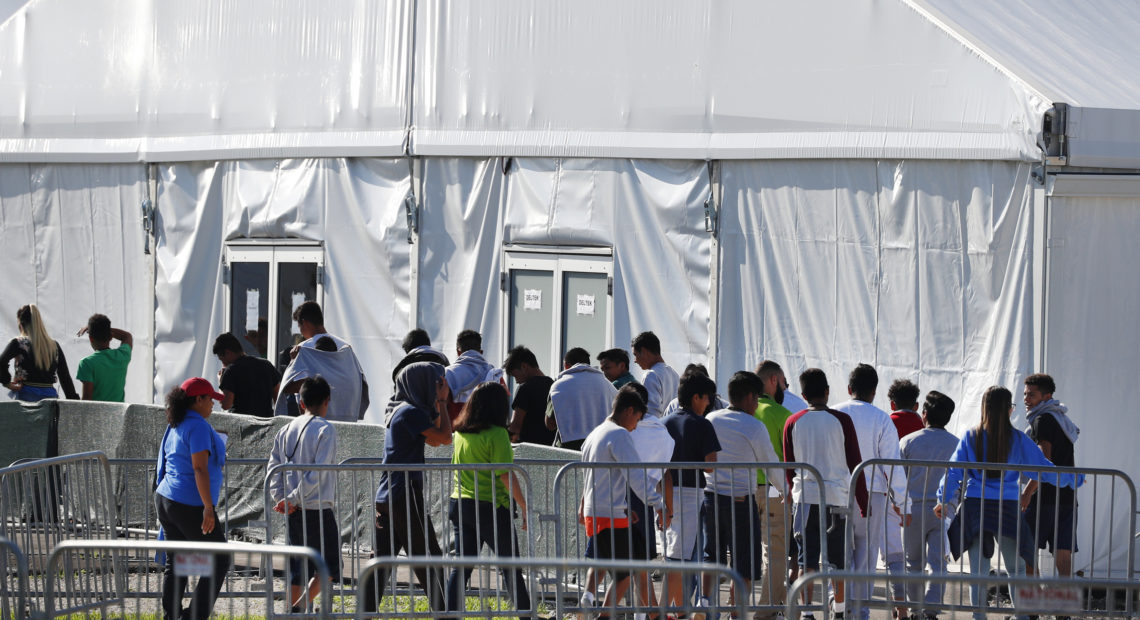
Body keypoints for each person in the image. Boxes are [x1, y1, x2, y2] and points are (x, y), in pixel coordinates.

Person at [936, 386, 1080, 620]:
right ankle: (1022, 616)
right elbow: (1042, 467)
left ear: (984, 407)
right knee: (1017, 569)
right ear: (1008, 409)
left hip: (976, 507)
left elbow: (954, 471)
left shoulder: (970, 436)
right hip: (1008, 507)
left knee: (978, 572)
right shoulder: (1018, 438)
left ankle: (979, 617)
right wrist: (1074, 478)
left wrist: (942, 499)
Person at [362, 362, 451, 613]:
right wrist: (443, 403)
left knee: (380, 564)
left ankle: (363, 613)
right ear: (422, 383)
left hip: (389, 493)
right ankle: (446, 615)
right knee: (429, 559)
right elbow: (444, 438)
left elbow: (434, 440)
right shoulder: (410, 412)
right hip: (404, 493)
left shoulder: (401, 410)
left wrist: (436, 404)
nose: (440, 387)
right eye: (436, 382)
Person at [783, 368, 868, 620]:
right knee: (837, 563)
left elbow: (790, 468)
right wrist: (863, 503)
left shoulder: (793, 421)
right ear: (827, 391)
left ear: (803, 393)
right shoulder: (842, 421)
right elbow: (856, 464)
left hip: (805, 499)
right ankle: (839, 611)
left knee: (806, 561)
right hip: (837, 500)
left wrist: (794, 493)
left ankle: (808, 612)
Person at [578, 384, 668, 616]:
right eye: (637, 418)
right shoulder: (618, 435)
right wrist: (658, 503)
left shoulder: (595, 433)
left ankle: (594, 601)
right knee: (627, 572)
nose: (636, 425)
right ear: (629, 411)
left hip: (599, 510)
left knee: (620, 564)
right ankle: (606, 614)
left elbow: (596, 477)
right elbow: (636, 475)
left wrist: (626, 507)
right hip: (610, 514)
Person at [445, 382, 531, 617]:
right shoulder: (497, 434)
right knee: (510, 566)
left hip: (460, 502)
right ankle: (525, 614)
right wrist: (524, 505)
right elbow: (505, 473)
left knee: (461, 566)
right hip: (491, 506)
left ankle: (449, 613)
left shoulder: (461, 432)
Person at [702, 371, 784, 613]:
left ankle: (705, 603)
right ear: (749, 396)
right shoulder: (754, 426)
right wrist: (785, 491)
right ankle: (737, 611)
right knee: (744, 562)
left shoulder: (712, 418)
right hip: (740, 500)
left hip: (711, 497)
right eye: (757, 398)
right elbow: (770, 465)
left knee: (711, 556)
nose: (757, 403)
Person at [833, 364, 909, 620]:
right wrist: (902, 502)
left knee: (839, 554)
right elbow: (892, 465)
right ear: (874, 391)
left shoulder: (834, 413)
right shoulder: (881, 418)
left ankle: (839, 606)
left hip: (837, 492)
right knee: (866, 554)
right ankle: (861, 612)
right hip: (873, 493)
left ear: (849, 388)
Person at [154, 378, 230, 620]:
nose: (213, 405)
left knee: (177, 561)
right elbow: (199, 469)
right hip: (189, 502)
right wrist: (209, 507)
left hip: (167, 497)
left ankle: (171, 615)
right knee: (219, 558)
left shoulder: (176, 422)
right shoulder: (197, 426)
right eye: (209, 399)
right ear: (198, 400)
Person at [267, 375, 340, 613]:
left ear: (301, 402)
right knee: (329, 566)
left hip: (294, 509)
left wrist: (281, 497)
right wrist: (292, 498)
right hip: (316, 507)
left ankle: (294, 610)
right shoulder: (325, 429)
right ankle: (297, 609)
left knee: (298, 568)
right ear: (327, 401)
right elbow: (318, 472)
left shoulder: (286, 428)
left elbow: (273, 467)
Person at [662, 372, 721, 615]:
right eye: (706, 398)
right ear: (697, 397)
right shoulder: (702, 424)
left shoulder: (664, 422)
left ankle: (680, 610)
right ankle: (663, 611)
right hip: (689, 493)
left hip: (664, 492)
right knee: (680, 560)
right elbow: (710, 464)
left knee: (674, 556)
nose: (708, 403)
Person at [899, 390, 958, 620]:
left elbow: (898, 478)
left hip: (913, 508)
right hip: (942, 509)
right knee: (938, 562)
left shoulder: (908, 441)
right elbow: (961, 479)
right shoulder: (956, 444)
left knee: (913, 562)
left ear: (924, 414)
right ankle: (932, 609)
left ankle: (915, 610)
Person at [1020, 373, 1079, 582]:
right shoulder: (1062, 420)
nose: (1026, 399)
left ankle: (1032, 608)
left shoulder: (1042, 419)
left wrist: (1027, 492)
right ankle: (1063, 610)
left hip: (1043, 497)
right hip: (1067, 497)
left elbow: (1044, 461)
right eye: (1025, 394)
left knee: (1025, 550)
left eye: (1032, 395)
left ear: (1047, 396)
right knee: (1063, 555)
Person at [752, 360, 795, 619]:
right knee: (776, 553)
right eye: (783, 382)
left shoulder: (743, 412)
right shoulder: (782, 414)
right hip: (774, 491)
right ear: (773, 381)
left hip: (741, 490)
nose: (784, 387)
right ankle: (767, 612)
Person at [283, 301, 369, 421]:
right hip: (348, 421)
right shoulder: (346, 348)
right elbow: (360, 383)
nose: (301, 332)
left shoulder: (303, 349)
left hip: (315, 422)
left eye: (299, 327)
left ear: (304, 322)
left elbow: (289, 387)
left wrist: (292, 363)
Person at [1, 304, 78, 401]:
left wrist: (7, 383)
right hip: (49, 396)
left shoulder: (19, 343)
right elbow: (65, 377)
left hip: (26, 394)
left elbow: (1, 361)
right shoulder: (54, 346)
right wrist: (73, 401)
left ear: (21, 324)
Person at [544, 348, 616, 451]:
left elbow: (550, 424)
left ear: (566, 365)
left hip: (569, 450)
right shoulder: (607, 385)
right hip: (600, 445)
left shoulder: (559, 386)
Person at [212, 332, 281, 417]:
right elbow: (278, 397)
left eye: (222, 359)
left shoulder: (231, 371)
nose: (223, 364)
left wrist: (220, 380)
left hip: (242, 425)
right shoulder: (266, 364)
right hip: (266, 423)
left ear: (228, 352)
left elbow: (226, 405)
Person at [502, 345, 556, 446]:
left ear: (524, 367)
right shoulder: (554, 385)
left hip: (530, 450)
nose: (517, 381)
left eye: (515, 375)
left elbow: (515, 428)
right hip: (552, 449)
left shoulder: (525, 388)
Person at [444, 330, 504, 420]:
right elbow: (503, 405)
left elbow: (440, 406)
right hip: (488, 430)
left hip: (455, 431)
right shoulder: (494, 374)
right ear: (481, 352)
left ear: (458, 352)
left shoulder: (447, 373)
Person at [75, 313, 133, 402]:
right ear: (110, 337)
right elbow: (127, 336)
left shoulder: (87, 363)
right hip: (119, 415)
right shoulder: (122, 356)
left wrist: (93, 328)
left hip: (96, 415)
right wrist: (104, 329)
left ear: (91, 338)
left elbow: (87, 399)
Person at [631, 331, 680, 418]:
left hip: (659, 428)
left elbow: (651, 414)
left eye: (635, 354)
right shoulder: (674, 374)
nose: (635, 360)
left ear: (644, 351)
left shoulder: (650, 375)